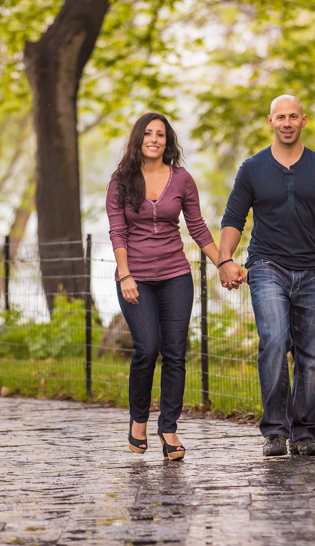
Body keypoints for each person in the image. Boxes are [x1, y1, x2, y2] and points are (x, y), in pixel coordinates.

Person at [218, 95, 315, 457]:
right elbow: (233, 219)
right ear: (270, 121)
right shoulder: (252, 169)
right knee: (274, 340)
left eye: (293, 116)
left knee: (312, 354)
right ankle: (274, 431)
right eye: (280, 116)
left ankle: (303, 434)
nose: (287, 122)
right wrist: (225, 259)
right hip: (268, 266)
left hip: (313, 272)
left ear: (304, 120)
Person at [107, 112, 221, 460]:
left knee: (175, 351)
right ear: (138, 139)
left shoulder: (182, 179)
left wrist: (224, 263)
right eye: (148, 133)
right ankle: (138, 421)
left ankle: (168, 428)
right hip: (136, 277)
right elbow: (118, 231)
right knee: (147, 347)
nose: (154, 139)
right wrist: (125, 274)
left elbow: (198, 227)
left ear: (167, 141)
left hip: (175, 276)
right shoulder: (121, 181)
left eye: (161, 134)